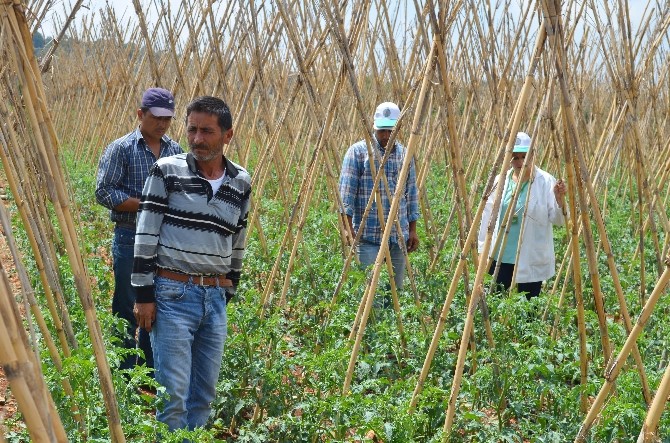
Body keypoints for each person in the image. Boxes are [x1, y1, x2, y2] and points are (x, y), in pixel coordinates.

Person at [132, 96, 252, 432]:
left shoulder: (241, 181)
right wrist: (143, 294)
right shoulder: (166, 171)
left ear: (227, 136)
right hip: (172, 295)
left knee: (203, 395)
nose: (198, 139)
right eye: (193, 130)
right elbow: (146, 232)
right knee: (173, 397)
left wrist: (230, 285)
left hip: (214, 299)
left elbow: (238, 238)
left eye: (207, 132)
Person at [95, 87, 183, 373]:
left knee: (155, 303)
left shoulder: (175, 151)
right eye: (156, 117)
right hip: (129, 236)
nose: (162, 124)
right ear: (140, 114)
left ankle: (147, 370)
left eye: (167, 118)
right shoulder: (121, 148)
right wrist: (148, 205)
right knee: (126, 304)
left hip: (164, 239)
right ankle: (123, 371)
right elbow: (104, 192)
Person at [339, 101, 420, 292]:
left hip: (397, 236)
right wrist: (347, 228)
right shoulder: (358, 153)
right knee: (369, 295)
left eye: (390, 130)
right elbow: (346, 195)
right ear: (374, 128)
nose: (385, 135)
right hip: (367, 236)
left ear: (398, 128)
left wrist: (413, 230)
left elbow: (412, 193)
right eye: (381, 130)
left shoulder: (404, 155)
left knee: (396, 293)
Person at [478, 131, 567, 299]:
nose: (519, 162)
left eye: (523, 157)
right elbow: (487, 218)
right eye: (515, 157)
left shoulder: (546, 181)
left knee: (529, 310)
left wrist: (559, 198)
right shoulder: (500, 180)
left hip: (530, 256)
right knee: (496, 304)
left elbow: (558, 220)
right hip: (500, 255)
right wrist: (482, 250)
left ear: (533, 155)